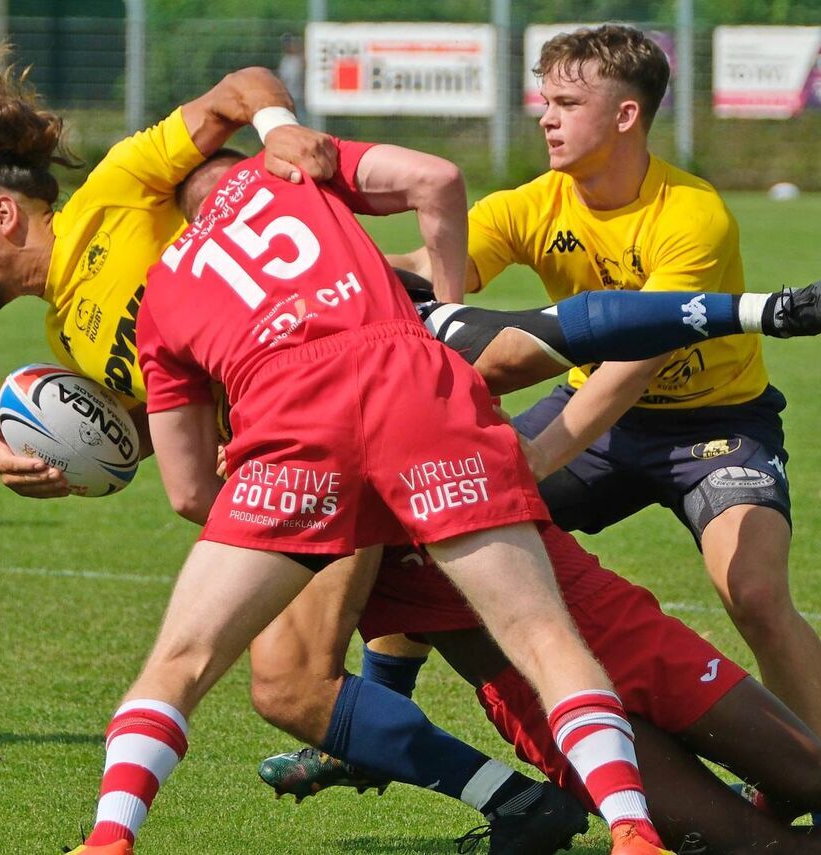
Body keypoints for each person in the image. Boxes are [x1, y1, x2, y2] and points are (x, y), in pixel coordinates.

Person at [79, 137, 674, 855]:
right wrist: (448, 315)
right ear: (241, 168)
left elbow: (187, 490)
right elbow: (440, 177)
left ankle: (111, 836)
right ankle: (636, 832)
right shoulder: (295, 173)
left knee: (182, 658)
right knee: (544, 638)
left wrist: (274, 506)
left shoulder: (166, 283)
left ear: (182, 217)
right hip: (413, 390)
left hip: (291, 433)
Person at [386, 23, 821, 836]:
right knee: (439, 513)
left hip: (713, 427)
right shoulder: (530, 204)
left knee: (753, 589)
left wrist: (535, 456)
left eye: (568, 103)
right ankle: (372, 720)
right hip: (598, 421)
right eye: (545, 100)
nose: (547, 118)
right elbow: (429, 273)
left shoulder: (694, 215)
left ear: (625, 116)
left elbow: (633, 361)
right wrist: (343, 280)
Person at [0, 46, 338, 496]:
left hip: (326, 375)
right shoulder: (63, 339)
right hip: (283, 446)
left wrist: (280, 131)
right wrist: (53, 455)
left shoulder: (113, 188)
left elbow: (242, 87)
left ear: (4, 214)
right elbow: (150, 421)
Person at [355, 530, 821, 855]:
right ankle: (719, 820)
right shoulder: (327, 474)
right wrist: (368, 714)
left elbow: (544, 348)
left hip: (612, 617)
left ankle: (718, 812)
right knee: (754, 847)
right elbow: (305, 670)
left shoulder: (451, 385)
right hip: (531, 679)